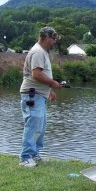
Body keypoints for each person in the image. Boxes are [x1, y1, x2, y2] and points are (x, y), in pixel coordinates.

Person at [19, 26, 62, 167]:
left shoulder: (42, 52)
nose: (54, 41)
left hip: (39, 94)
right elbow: (36, 74)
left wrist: (49, 90)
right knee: (33, 125)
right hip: (32, 94)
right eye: (53, 38)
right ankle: (25, 158)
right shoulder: (38, 52)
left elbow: (41, 74)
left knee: (40, 126)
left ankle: (34, 154)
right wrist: (53, 83)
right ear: (46, 37)